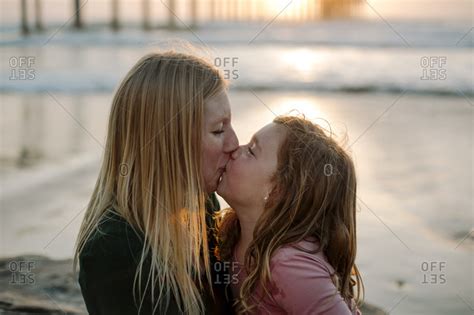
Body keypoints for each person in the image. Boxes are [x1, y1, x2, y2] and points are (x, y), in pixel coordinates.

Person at [73, 51, 239, 314]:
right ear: (169, 141)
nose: (234, 143)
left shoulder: (202, 203)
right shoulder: (113, 250)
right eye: (219, 130)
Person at [216, 116, 363, 314]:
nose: (235, 150)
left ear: (277, 192)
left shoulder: (288, 265)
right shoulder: (235, 231)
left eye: (251, 151)